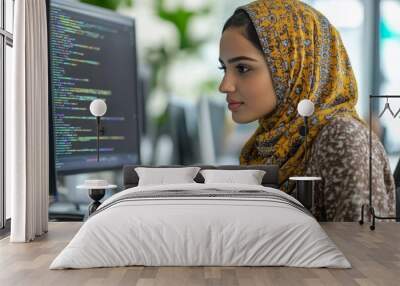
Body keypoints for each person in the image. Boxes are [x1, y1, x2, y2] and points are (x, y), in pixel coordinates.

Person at [218, 0, 395, 221]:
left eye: (242, 68)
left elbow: (364, 252)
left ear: (294, 67)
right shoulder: (267, 146)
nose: (224, 85)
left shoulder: (343, 139)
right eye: (224, 68)